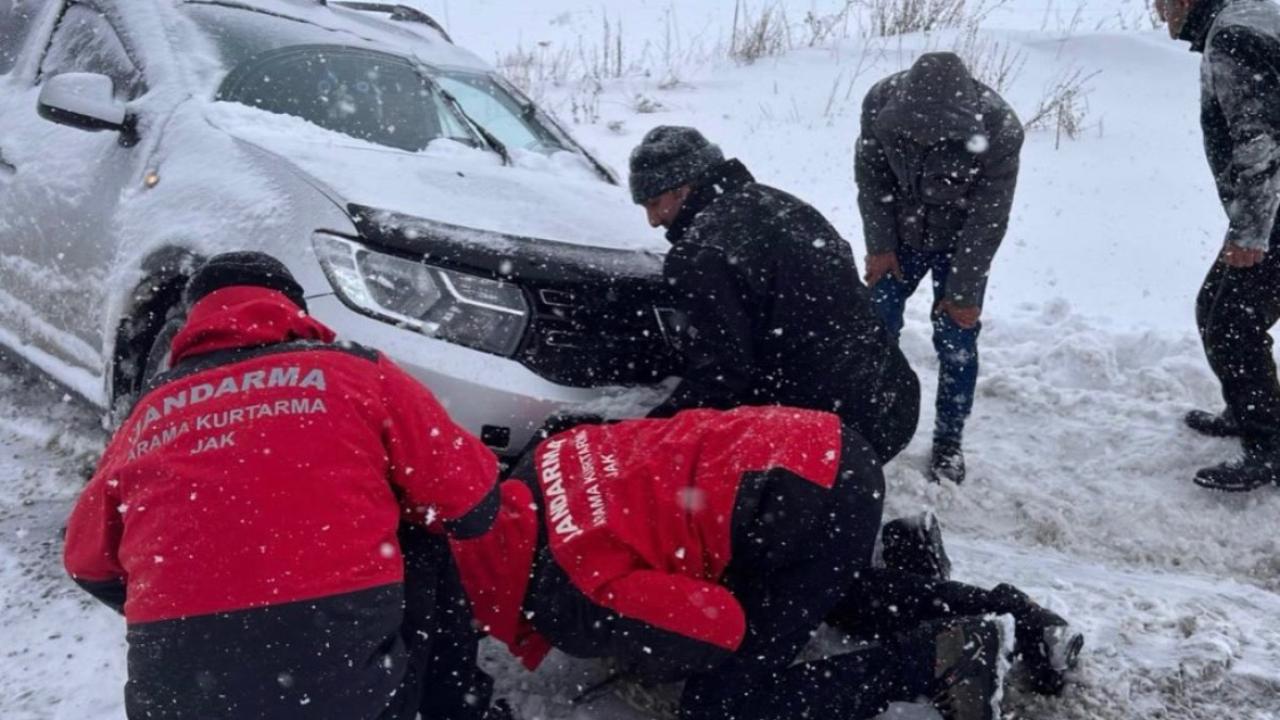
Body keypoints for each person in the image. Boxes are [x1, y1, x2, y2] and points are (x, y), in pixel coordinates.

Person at [63, 252, 501, 719]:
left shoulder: (150, 413)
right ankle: (454, 710)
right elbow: (473, 506)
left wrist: (198, 608)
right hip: (342, 688)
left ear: (195, 321)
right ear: (294, 309)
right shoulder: (357, 373)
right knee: (423, 540)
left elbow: (85, 562)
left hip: (178, 699)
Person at [447, 407, 1082, 720]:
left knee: (724, 704)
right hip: (808, 448)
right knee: (820, 593)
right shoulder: (532, 470)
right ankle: (1012, 611)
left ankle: (943, 656)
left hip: (801, 505)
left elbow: (721, 628)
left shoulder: (570, 597)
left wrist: (646, 642)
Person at [629, 126, 920, 464]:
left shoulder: (700, 253)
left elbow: (723, 374)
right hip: (890, 400)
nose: (652, 221)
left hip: (827, 436)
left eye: (654, 203)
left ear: (685, 189)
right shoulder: (780, 203)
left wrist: (647, 437)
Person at [855, 52, 1025, 484]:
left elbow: (989, 217)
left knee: (957, 339)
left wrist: (963, 292)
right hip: (898, 235)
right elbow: (873, 181)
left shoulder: (998, 127)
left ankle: (949, 440)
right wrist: (880, 248)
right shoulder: (880, 102)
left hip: (961, 243)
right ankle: (868, 420)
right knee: (875, 327)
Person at [1156, 0, 1280, 492]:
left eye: (1161, 3)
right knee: (1219, 308)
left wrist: (1251, 231)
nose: (1158, 13)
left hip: (1273, 208)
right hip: (1274, 205)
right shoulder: (1253, 16)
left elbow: (1259, 143)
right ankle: (1248, 408)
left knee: (1231, 321)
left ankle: (1267, 446)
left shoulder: (1232, 38)